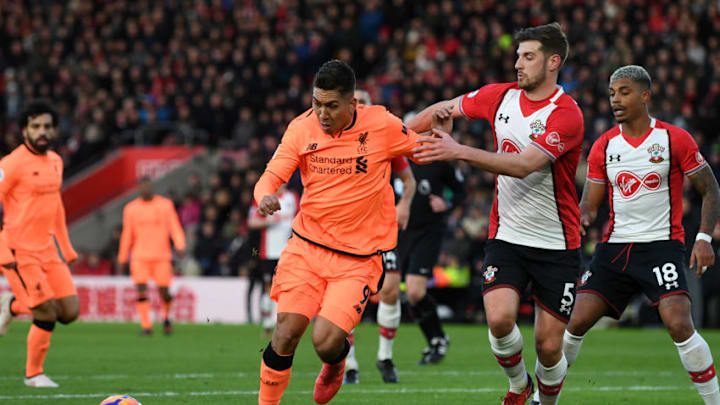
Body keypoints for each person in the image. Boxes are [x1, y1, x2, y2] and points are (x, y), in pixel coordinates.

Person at [410, 23, 583, 404]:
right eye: (517, 55)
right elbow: (442, 109)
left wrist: (458, 151)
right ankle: (519, 386)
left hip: (558, 243)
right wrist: (398, 135)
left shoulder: (566, 114)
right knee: (500, 319)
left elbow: (524, 165)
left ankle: (545, 401)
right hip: (507, 236)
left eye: (528, 56)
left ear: (553, 62)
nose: (517, 63)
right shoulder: (498, 96)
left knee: (549, 348)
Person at [253, 59, 429, 405]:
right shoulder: (301, 128)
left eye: (331, 105)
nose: (322, 113)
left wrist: (450, 138)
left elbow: (421, 146)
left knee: (326, 341)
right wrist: (265, 197)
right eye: (317, 103)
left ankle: (335, 364)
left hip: (358, 260)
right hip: (306, 249)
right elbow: (270, 177)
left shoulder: (381, 124)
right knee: (285, 333)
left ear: (353, 103)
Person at [564, 65, 720, 405]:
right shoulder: (604, 146)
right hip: (615, 250)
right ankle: (544, 399)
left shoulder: (673, 139)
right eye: (611, 93)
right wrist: (582, 219)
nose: (615, 100)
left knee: (679, 325)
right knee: (574, 322)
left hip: (661, 247)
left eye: (624, 92)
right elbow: (590, 203)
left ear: (645, 95)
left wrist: (704, 238)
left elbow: (710, 189)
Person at [0, 101, 80, 387]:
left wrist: (66, 247)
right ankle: (33, 374)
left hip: (48, 249)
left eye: (47, 126)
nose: (42, 132)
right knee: (46, 311)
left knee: (69, 312)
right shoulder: (11, 164)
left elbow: (55, 205)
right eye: (36, 126)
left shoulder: (56, 161)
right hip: (18, 251)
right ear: (24, 131)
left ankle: (12, 305)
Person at [343, 89, 417, 385]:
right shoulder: (335, 142)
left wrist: (404, 203)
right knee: (346, 298)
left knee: (388, 290)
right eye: (355, 102)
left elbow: (408, 181)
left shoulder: (384, 141)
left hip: (381, 228)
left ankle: (385, 357)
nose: (360, 106)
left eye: (364, 102)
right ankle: (349, 363)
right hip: (346, 231)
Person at [118, 177, 186, 336]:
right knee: (141, 289)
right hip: (140, 257)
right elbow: (127, 234)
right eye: (142, 187)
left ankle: (167, 318)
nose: (145, 190)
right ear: (138, 189)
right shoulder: (131, 209)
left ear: (153, 188)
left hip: (161, 256)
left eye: (148, 186)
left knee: (164, 292)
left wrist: (180, 245)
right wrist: (122, 257)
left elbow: (174, 227)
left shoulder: (165, 205)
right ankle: (146, 326)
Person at [248, 184, 299, 338]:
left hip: (289, 251)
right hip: (268, 251)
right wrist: (269, 222)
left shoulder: (293, 197)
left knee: (285, 288)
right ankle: (266, 323)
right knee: (268, 287)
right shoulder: (265, 197)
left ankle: (279, 323)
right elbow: (252, 222)